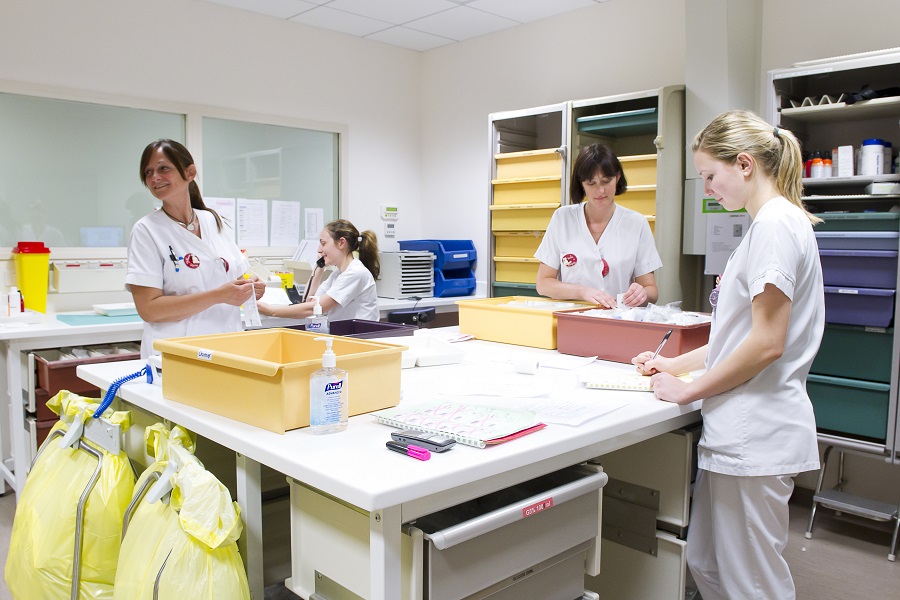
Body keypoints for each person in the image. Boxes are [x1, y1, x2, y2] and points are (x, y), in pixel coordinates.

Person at [633, 110, 824, 600]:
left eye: (710, 176)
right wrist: (672, 365)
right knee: (707, 563)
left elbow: (767, 343)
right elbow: (735, 336)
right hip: (737, 432)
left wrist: (688, 389)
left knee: (752, 583)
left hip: (755, 433)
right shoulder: (765, 226)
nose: (708, 189)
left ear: (744, 164)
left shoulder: (776, 226)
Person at [126, 139, 264, 359]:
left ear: (189, 172)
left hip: (226, 348)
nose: (154, 177)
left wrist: (252, 286)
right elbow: (149, 309)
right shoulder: (147, 230)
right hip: (176, 356)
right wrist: (219, 295)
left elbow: (238, 274)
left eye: (164, 168)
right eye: (148, 172)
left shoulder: (212, 221)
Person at [534, 143, 661, 308]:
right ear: (581, 184)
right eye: (591, 183)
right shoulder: (562, 219)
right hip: (572, 321)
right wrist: (582, 291)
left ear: (618, 177)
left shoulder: (636, 223)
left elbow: (652, 291)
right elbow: (543, 284)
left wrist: (641, 294)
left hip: (618, 320)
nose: (600, 190)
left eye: (606, 181)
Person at [258, 219, 380, 322]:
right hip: (347, 336)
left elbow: (314, 308)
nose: (319, 249)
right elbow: (309, 302)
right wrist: (319, 268)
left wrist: (271, 311)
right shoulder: (337, 274)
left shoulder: (355, 273)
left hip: (361, 339)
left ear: (341, 243)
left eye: (323, 243)